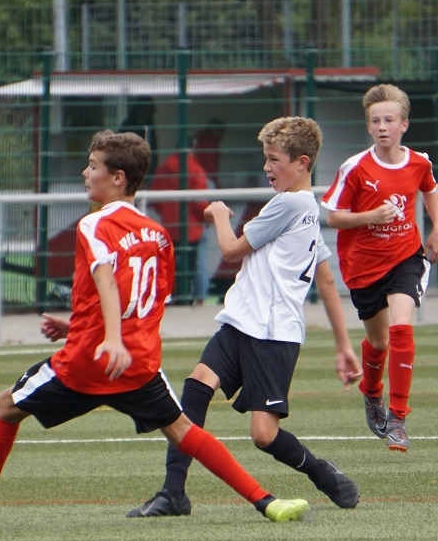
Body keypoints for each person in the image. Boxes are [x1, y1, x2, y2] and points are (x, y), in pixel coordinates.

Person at [0, 131, 310, 530]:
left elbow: (107, 283)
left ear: (117, 178)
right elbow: (144, 304)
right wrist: (79, 325)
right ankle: (266, 502)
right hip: (139, 364)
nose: (85, 173)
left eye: (93, 165)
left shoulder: (94, 224)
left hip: (91, 360)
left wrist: (108, 339)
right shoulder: (158, 234)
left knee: (4, 408)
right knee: (183, 430)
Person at [127, 117, 363, 518]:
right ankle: (173, 492)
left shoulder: (291, 204)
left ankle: (322, 473)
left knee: (264, 435)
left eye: (274, 160)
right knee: (197, 386)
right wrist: (343, 346)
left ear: (302, 162)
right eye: (265, 158)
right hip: (240, 322)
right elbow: (324, 280)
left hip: (272, 334)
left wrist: (219, 214)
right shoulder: (306, 207)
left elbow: (231, 250)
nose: (266, 167)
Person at [321, 84, 438, 452]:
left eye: (389, 120)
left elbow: (429, 189)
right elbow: (334, 217)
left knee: (401, 327)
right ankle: (372, 391)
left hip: (406, 257)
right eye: (375, 121)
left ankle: (398, 418)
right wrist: (370, 217)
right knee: (379, 342)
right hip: (363, 267)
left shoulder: (419, 162)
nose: (382, 126)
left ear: (404, 124)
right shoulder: (355, 168)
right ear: (368, 125)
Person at [149, 120, 226, 305]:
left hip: (170, 227)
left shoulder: (163, 168)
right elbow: (199, 202)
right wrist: (206, 219)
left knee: (171, 266)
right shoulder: (195, 170)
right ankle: (199, 300)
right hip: (193, 229)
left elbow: (154, 199)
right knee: (198, 267)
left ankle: (172, 298)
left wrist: (167, 213)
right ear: (193, 147)